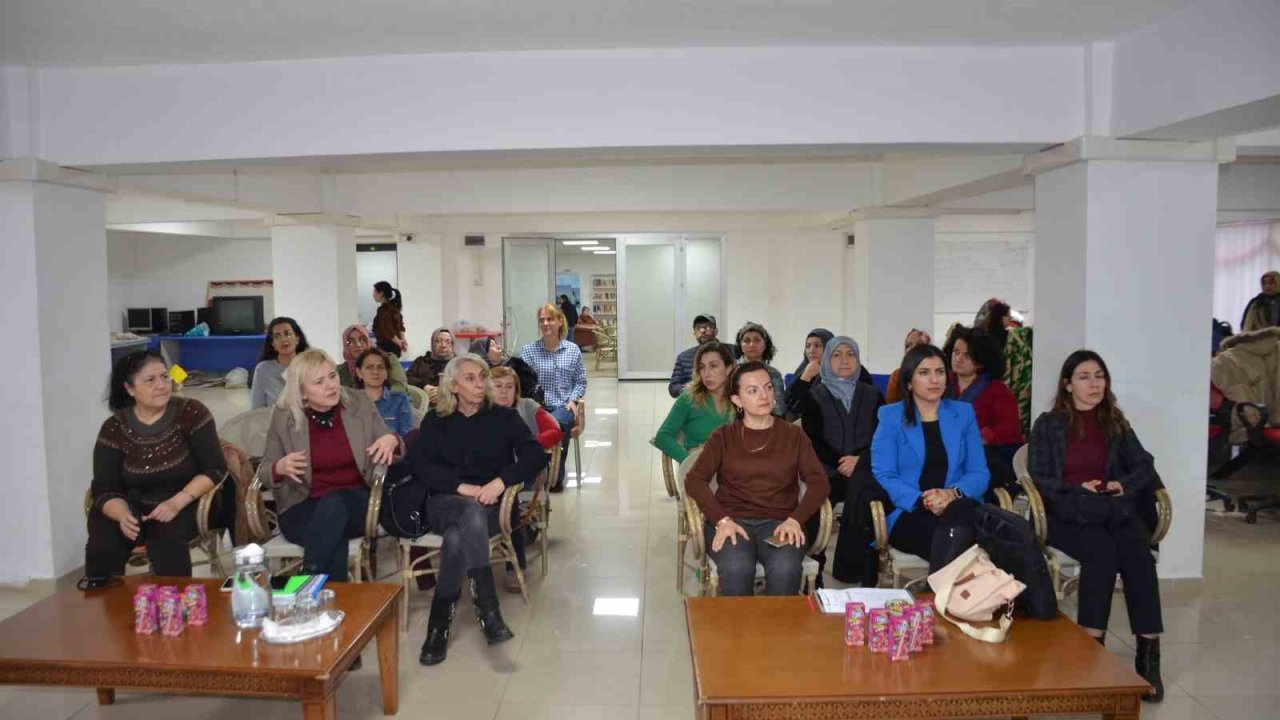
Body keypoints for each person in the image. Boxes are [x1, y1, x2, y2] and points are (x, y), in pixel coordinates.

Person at [1027, 350, 1165, 702]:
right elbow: (1041, 479)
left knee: (1138, 553)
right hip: (1066, 512)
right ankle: (1092, 656)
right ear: (1067, 384)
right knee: (1102, 554)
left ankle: (1148, 657)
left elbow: (1144, 465)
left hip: (1110, 508)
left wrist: (1124, 485)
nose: (1094, 384)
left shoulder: (1114, 421)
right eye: (1085, 377)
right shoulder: (1048, 424)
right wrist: (1077, 489)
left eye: (1100, 376)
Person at [408, 354, 546, 666]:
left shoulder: (504, 417)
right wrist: (461, 487)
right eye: (470, 378)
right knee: (465, 512)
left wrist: (501, 481)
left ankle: (438, 626)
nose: (480, 383)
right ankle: (488, 611)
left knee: (459, 537)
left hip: (491, 509)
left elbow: (536, 456)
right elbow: (419, 465)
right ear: (452, 385)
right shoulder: (435, 420)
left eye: (482, 377)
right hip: (443, 504)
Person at [683, 362, 829, 596]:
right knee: (736, 567)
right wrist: (721, 520)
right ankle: (739, 632)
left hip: (781, 522)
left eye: (768, 387)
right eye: (752, 391)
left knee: (785, 568)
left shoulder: (793, 435)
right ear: (737, 400)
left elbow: (819, 482)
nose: (764, 396)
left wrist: (796, 519)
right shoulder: (724, 437)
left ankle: (777, 631)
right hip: (733, 521)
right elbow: (695, 480)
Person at [262, 349, 401, 583]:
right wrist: (279, 468)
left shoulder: (359, 402)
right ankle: (330, 606)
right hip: (301, 506)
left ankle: (304, 582)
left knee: (334, 503)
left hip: (358, 503)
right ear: (302, 391)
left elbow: (393, 447)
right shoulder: (284, 415)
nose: (331, 385)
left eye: (332, 376)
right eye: (319, 381)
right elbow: (264, 471)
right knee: (333, 539)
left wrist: (392, 440)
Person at [87, 351, 227, 579]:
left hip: (188, 498)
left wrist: (176, 502)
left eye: (164, 376)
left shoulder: (191, 412)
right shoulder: (114, 428)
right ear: (129, 388)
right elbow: (104, 487)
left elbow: (214, 469)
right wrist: (122, 514)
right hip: (131, 502)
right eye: (150, 380)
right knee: (104, 533)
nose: (162, 385)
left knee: (166, 534)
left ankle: (172, 604)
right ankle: (106, 604)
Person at [870, 344, 989, 575]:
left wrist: (951, 494)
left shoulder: (963, 414)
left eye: (940, 372)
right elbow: (884, 474)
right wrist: (924, 501)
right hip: (911, 510)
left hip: (959, 505)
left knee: (959, 525)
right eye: (924, 373)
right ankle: (955, 600)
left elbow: (979, 472)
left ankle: (945, 599)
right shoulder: (891, 416)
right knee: (958, 541)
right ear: (908, 382)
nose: (934, 379)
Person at [795, 337, 884, 586]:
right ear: (827, 360)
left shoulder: (874, 395)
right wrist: (841, 462)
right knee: (816, 500)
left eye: (850, 354)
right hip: (828, 470)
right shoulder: (815, 396)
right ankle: (814, 570)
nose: (844, 360)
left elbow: (884, 436)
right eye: (837, 355)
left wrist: (860, 460)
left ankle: (865, 573)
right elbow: (814, 440)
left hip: (866, 468)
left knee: (869, 496)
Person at [943, 327, 1024, 496]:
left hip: (983, 456)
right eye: (956, 352)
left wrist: (982, 437)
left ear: (980, 361)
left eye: (967, 355)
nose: (958, 359)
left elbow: (1009, 428)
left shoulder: (997, 390)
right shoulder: (941, 383)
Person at [518, 303, 587, 492]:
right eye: (542, 320)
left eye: (550, 319)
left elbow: (581, 382)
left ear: (559, 322)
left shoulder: (573, 350)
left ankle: (555, 473)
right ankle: (541, 470)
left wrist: (573, 400)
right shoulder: (529, 351)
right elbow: (519, 378)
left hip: (563, 405)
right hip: (537, 406)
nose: (546, 323)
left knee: (557, 423)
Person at [653, 342, 736, 481]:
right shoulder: (689, 398)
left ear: (729, 368)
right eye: (702, 368)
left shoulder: (739, 398)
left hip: (732, 468)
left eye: (713, 366)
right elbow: (663, 437)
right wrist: (690, 461)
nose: (706, 373)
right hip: (698, 470)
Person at [785, 328, 874, 417]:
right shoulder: (806, 369)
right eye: (808, 346)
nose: (811, 351)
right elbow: (788, 403)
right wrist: (805, 378)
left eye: (817, 346)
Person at [491, 366, 563, 451]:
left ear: (516, 391)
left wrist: (529, 444)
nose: (504, 391)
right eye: (498, 386)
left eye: (509, 387)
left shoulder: (527, 406)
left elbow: (554, 431)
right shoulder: (479, 411)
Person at [354, 348, 415, 437]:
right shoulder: (351, 402)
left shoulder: (400, 400)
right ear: (359, 373)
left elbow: (408, 437)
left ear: (386, 373)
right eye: (369, 367)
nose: (375, 372)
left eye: (380, 367)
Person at [252, 317, 310, 409]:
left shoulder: (309, 366)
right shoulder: (263, 369)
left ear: (297, 339)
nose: (283, 339)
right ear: (273, 343)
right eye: (277, 336)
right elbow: (256, 409)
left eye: (288, 334)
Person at [735, 322, 786, 417]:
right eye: (746, 341)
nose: (751, 344)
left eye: (757, 340)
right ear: (740, 346)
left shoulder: (773, 374)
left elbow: (779, 409)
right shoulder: (733, 372)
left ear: (764, 345)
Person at [338, 324, 408, 393]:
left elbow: (400, 387)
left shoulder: (389, 360)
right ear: (345, 346)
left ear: (369, 341)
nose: (358, 345)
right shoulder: (340, 371)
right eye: (351, 342)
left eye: (363, 339)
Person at [668, 314, 723, 398]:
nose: (702, 331)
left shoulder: (729, 351)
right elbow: (673, 388)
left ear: (716, 331)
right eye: (698, 328)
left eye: (707, 327)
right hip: (694, 402)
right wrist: (694, 389)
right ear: (694, 333)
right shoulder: (683, 357)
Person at [407, 327, 455, 403]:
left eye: (447, 341)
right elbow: (408, 377)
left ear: (453, 344)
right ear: (432, 343)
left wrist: (444, 391)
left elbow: (465, 384)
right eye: (438, 341)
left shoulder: (459, 363)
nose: (443, 345)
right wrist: (424, 386)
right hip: (423, 404)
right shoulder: (421, 361)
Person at [884, 329, 932, 403]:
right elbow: (890, 406)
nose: (911, 349)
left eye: (918, 345)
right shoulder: (897, 375)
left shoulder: (935, 375)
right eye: (908, 345)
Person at [372, 281, 408, 357]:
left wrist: (399, 342)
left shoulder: (383, 310)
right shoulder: (394, 308)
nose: (373, 295)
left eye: (374, 292)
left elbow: (387, 330)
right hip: (395, 348)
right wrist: (402, 340)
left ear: (381, 293)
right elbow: (400, 327)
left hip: (386, 348)